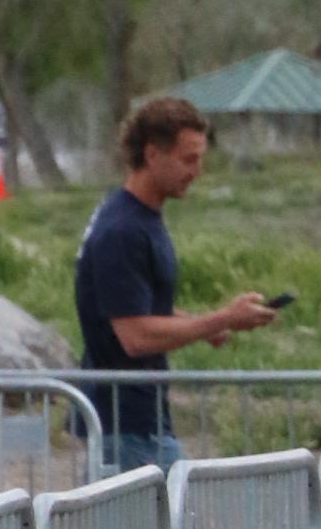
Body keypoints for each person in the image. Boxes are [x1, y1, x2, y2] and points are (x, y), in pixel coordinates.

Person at [73, 96, 280, 470]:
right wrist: (222, 319)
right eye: (189, 159)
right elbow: (135, 335)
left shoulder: (137, 218)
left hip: (138, 419)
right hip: (126, 426)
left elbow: (136, 304)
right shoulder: (123, 230)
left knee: (189, 508)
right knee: (193, 510)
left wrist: (204, 325)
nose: (198, 171)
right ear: (153, 155)